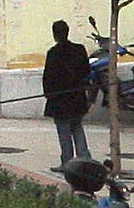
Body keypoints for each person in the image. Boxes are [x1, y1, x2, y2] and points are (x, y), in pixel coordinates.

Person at [41, 20, 96, 169]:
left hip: (60, 99)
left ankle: (67, 162)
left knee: (64, 131)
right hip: (77, 96)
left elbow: (48, 77)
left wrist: (49, 95)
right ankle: (84, 158)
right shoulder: (79, 50)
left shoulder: (53, 53)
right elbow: (86, 72)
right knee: (77, 127)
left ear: (55, 35)